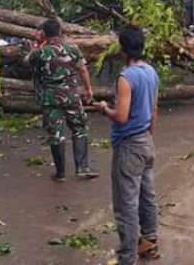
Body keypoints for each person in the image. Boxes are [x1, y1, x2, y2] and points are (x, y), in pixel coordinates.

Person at [94, 26, 160, 264]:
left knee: (126, 204)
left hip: (129, 144)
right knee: (147, 195)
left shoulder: (125, 77)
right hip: (145, 140)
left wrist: (104, 109)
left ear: (122, 49)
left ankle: (127, 256)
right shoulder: (151, 72)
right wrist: (149, 136)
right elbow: (153, 110)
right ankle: (150, 242)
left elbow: (121, 116)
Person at [29, 19, 97, 181]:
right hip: (71, 96)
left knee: (56, 134)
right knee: (79, 129)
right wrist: (88, 90)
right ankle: (82, 167)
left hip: (50, 98)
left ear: (44, 33)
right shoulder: (72, 49)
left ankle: (60, 173)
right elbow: (82, 69)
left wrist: (34, 48)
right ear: (60, 31)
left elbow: (32, 69)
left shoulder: (40, 53)